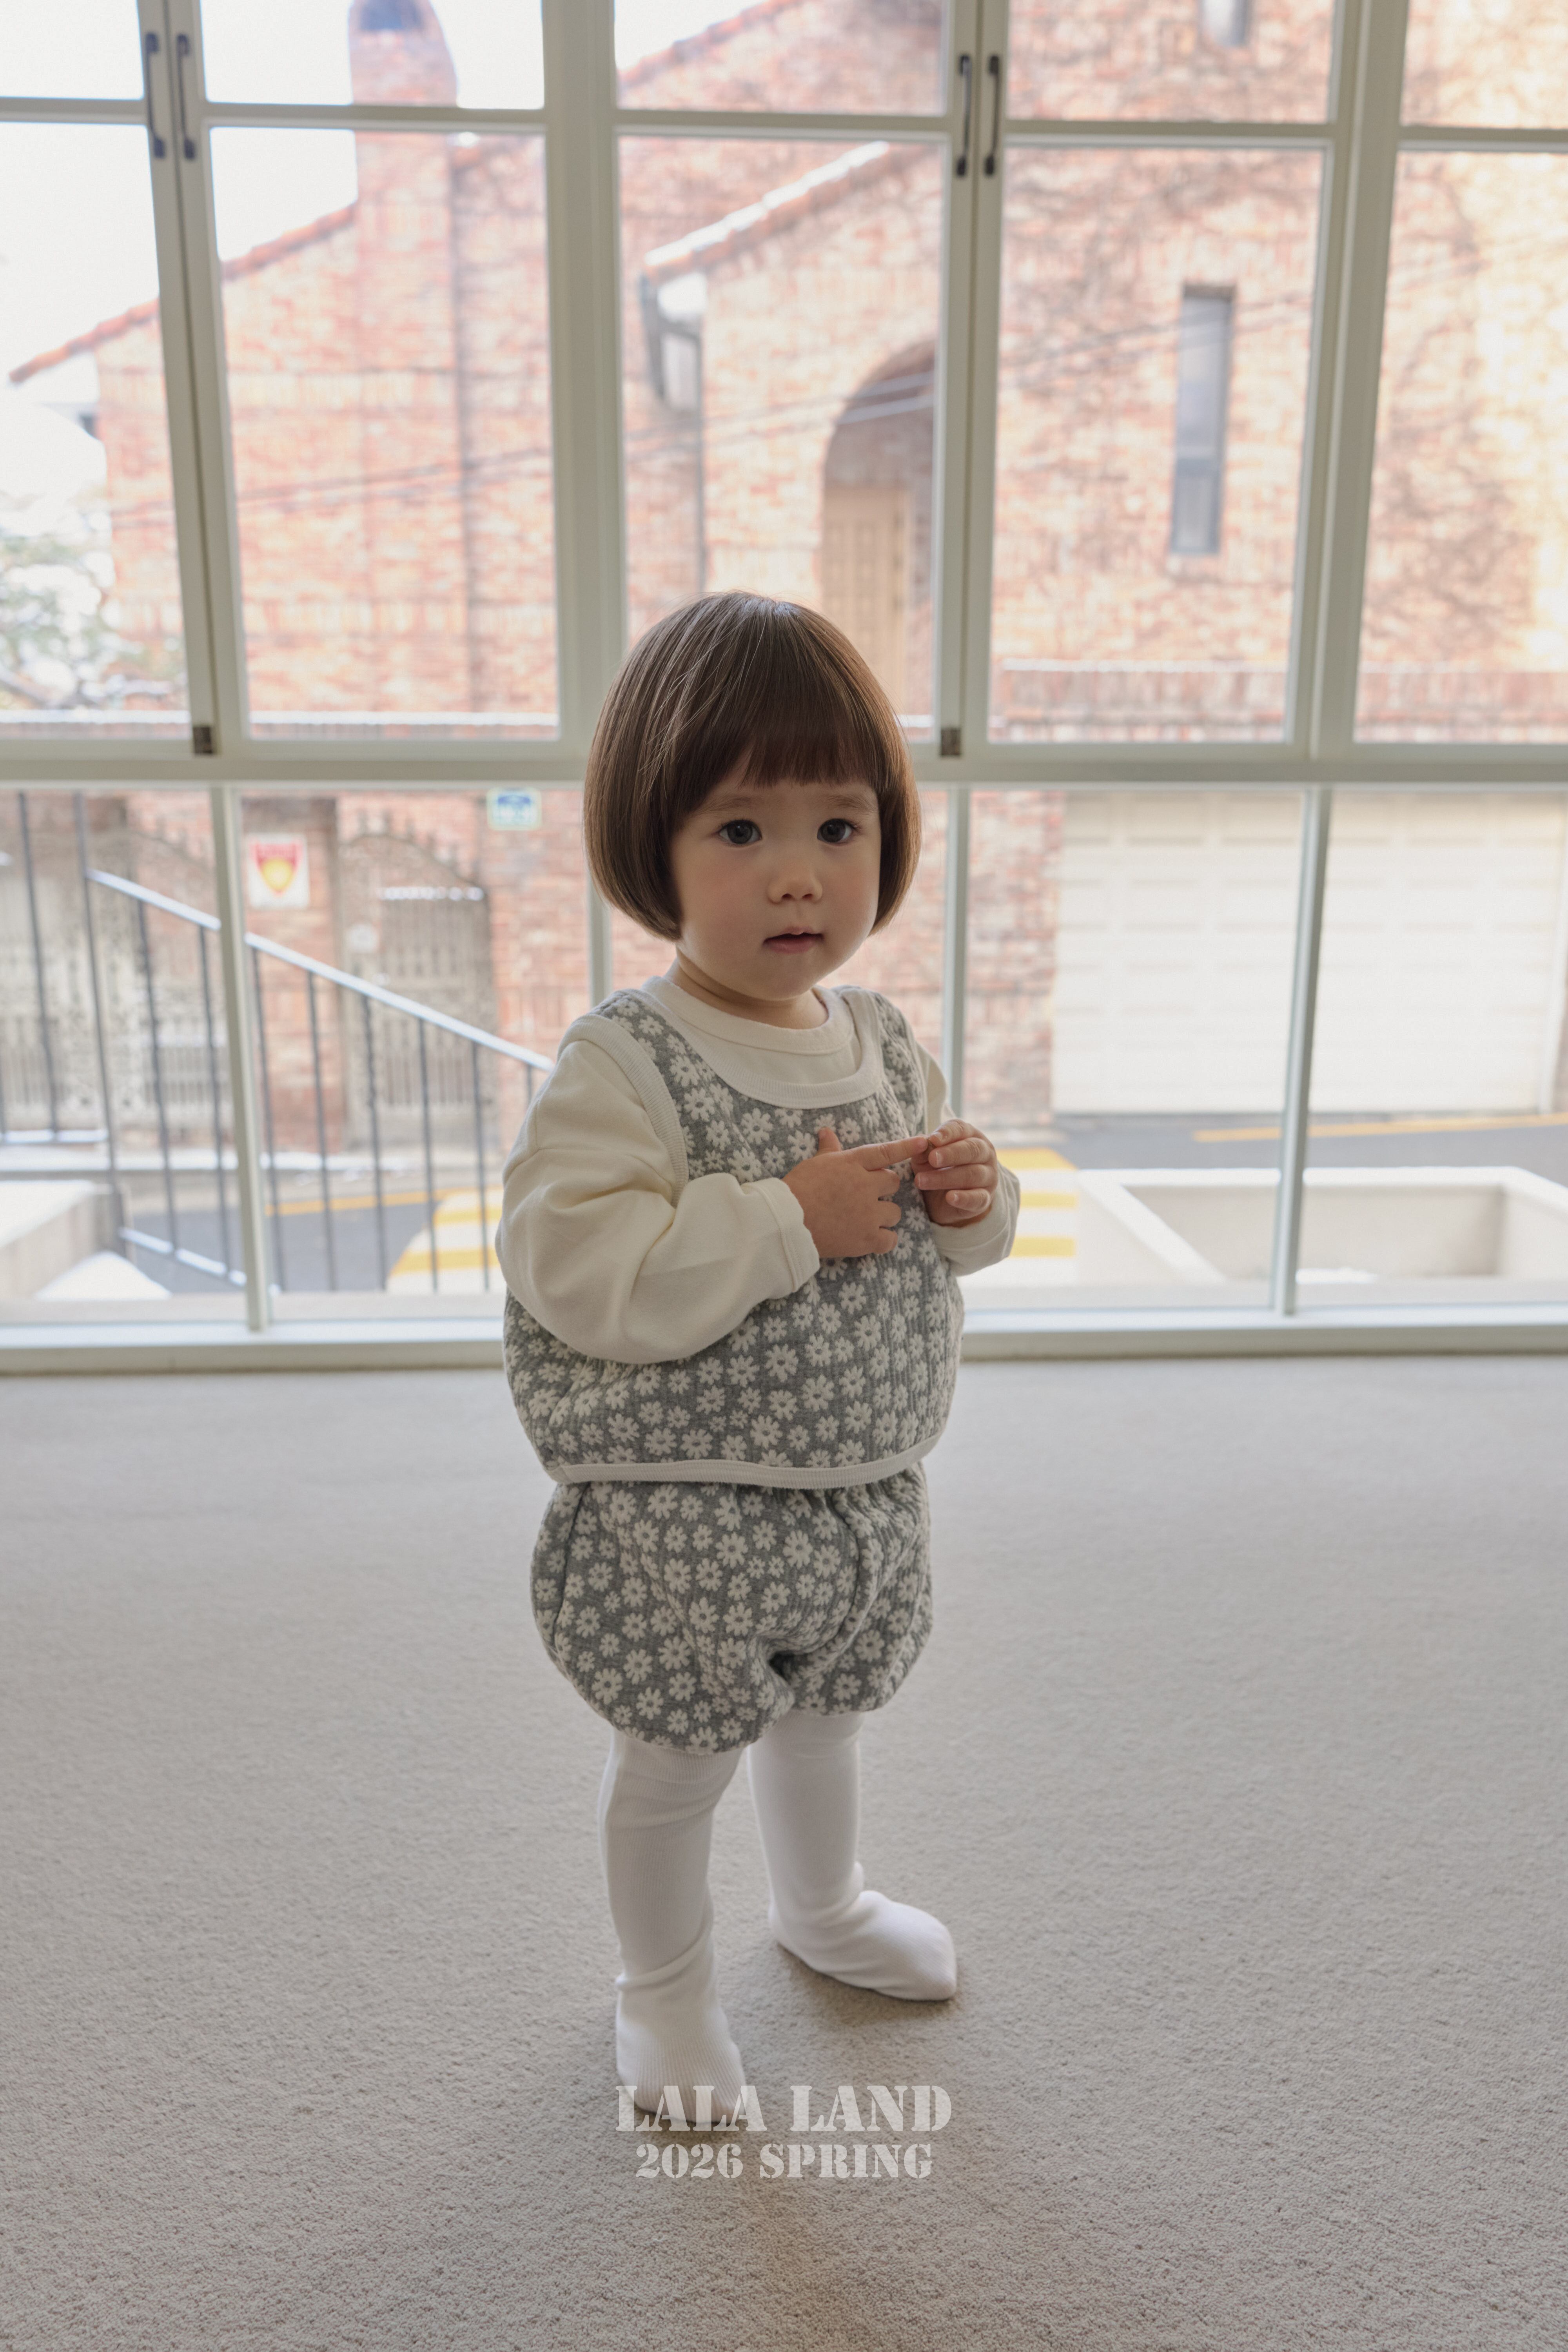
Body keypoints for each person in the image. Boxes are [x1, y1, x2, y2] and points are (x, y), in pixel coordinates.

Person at [495, 592, 1020, 2125]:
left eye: (839, 828)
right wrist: (786, 1218)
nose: (799, 873)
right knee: (676, 1757)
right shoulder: (625, 1062)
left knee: (827, 1717)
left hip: (859, 1493)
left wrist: (972, 1206)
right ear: (652, 847)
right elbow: (576, 1270)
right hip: (690, 1506)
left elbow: (942, 1249)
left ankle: (824, 1905)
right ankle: (659, 1993)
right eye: (740, 830)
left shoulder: (882, 1040)